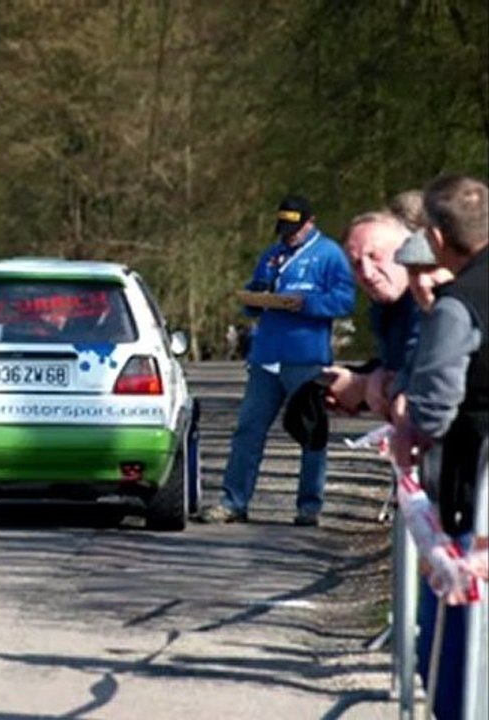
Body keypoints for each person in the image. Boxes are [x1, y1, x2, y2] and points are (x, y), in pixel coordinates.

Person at [392, 174, 488, 720]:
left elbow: (432, 409)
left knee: (456, 650)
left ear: (434, 237)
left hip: (471, 495)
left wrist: (408, 429)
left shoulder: (459, 306)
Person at [199, 194, 355, 525]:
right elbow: (255, 295)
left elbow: (344, 301)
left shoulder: (329, 255)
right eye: (284, 229)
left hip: (307, 357)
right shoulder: (272, 254)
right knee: (248, 429)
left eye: (295, 230)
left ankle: (309, 506)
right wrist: (253, 297)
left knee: (310, 431)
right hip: (266, 356)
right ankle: (233, 501)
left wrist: (306, 304)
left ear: (310, 223)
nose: (289, 236)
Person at [324, 211, 421, 418]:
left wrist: (364, 385)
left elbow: (430, 380)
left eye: (375, 257)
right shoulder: (384, 307)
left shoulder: (433, 302)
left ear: (407, 252)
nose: (367, 273)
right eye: (356, 264)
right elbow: (396, 364)